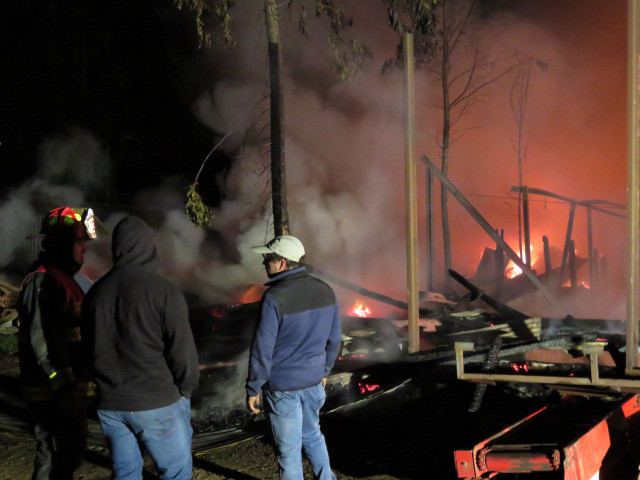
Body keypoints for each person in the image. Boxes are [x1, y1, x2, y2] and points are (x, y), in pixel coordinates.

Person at [81, 216, 199, 480]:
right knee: (176, 473)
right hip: (156, 400)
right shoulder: (162, 290)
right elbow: (182, 349)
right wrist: (185, 389)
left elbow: (87, 349)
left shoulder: (95, 294)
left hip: (111, 406)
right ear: (149, 247)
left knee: (125, 475)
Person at [246, 235, 342, 480]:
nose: (264, 263)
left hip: (283, 388)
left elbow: (262, 347)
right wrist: (324, 372)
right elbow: (335, 339)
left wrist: (253, 386)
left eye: (268, 258)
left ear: (282, 264)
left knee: (288, 451)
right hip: (313, 382)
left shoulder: (274, 298)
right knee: (312, 435)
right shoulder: (326, 290)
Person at [17, 206, 97, 480]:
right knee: (53, 455)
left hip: (68, 392)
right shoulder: (43, 280)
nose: (84, 251)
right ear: (64, 243)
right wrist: (63, 387)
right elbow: (43, 340)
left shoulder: (66, 280)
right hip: (52, 394)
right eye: (79, 243)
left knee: (69, 455)